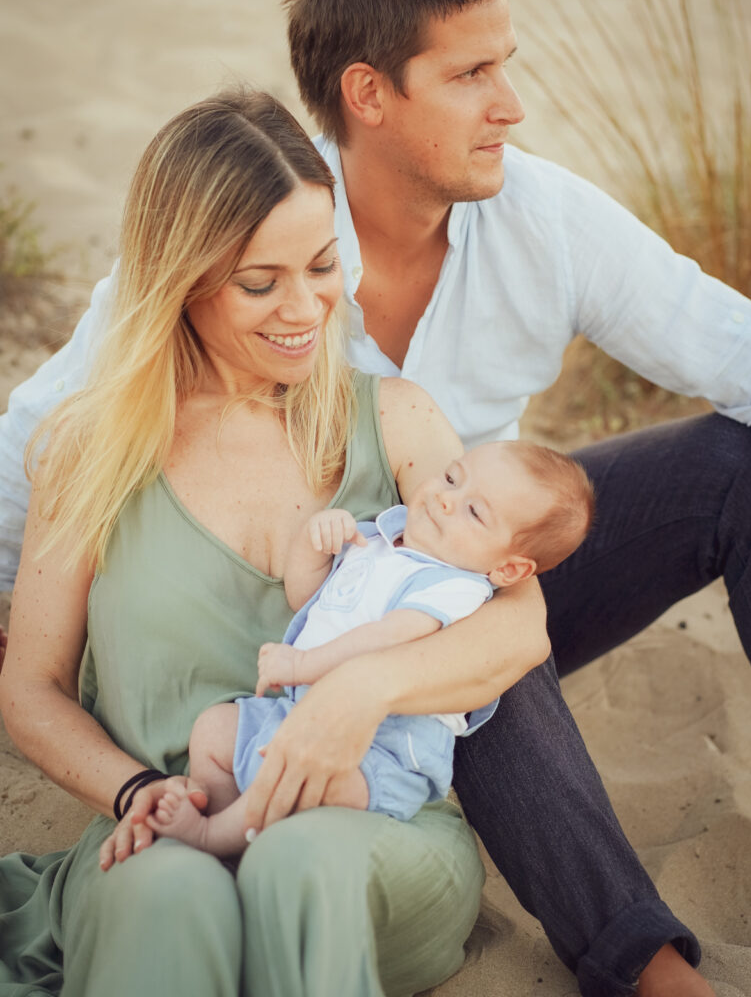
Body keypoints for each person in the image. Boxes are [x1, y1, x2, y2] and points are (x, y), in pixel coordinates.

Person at [2, 0, 751, 995]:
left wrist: (364, 688)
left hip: (465, 571)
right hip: (349, 619)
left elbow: (744, 355)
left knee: (523, 563)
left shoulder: (526, 240)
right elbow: (43, 441)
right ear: (370, 94)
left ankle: (641, 962)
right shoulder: (244, 226)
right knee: (445, 595)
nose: (511, 104)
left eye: (323, 270)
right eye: (471, 74)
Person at [0, 88, 553, 997]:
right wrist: (140, 794)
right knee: (169, 897)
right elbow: (32, 688)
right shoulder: (84, 450)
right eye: (261, 282)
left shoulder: (401, 423)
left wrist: (362, 692)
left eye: (325, 264)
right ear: (180, 280)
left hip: (368, 822)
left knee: (297, 865)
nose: (307, 308)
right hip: (160, 816)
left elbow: (518, 627)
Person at [144, 440, 595, 856]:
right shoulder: (378, 541)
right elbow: (309, 600)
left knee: (298, 779)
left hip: (383, 751)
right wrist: (312, 543)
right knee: (214, 728)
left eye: (474, 513)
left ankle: (213, 838)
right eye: (452, 478)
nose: (445, 498)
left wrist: (303, 663)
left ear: (510, 568)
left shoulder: (456, 587)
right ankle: (221, 811)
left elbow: (389, 637)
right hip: (303, 714)